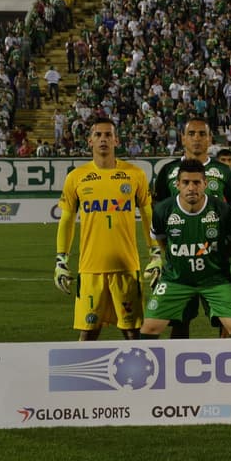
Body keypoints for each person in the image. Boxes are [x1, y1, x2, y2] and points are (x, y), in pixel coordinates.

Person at [54, 118, 160, 341]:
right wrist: (61, 259)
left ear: (116, 140)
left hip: (126, 267)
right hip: (90, 268)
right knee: (88, 332)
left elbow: (148, 215)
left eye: (108, 135)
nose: (103, 139)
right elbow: (67, 220)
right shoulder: (76, 177)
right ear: (90, 141)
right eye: (98, 135)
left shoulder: (135, 174)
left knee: (132, 332)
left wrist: (156, 252)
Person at [152, 118, 231, 339]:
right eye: (191, 133)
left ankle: (227, 360)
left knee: (227, 320)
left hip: (217, 262)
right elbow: (159, 212)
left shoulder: (223, 171)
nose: (197, 138)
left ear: (210, 138)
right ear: (183, 138)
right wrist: (167, 252)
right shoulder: (168, 171)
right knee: (180, 319)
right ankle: (178, 361)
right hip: (180, 263)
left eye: (202, 134)